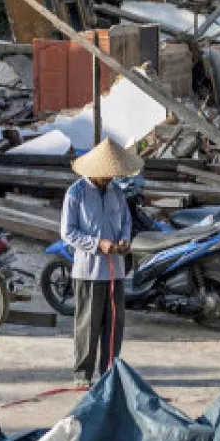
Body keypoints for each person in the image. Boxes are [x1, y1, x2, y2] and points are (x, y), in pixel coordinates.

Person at [61, 138, 141, 388]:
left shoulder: (117, 192)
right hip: (89, 271)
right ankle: (82, 374)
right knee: (88, 325)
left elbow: (126, 222)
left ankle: (108, 371)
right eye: (105, 175)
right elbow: (68, 232)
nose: (109, 178)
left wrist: (124, 240)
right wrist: (98, 243)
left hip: (115, 270)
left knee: (114, 326)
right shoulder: (76, 193)